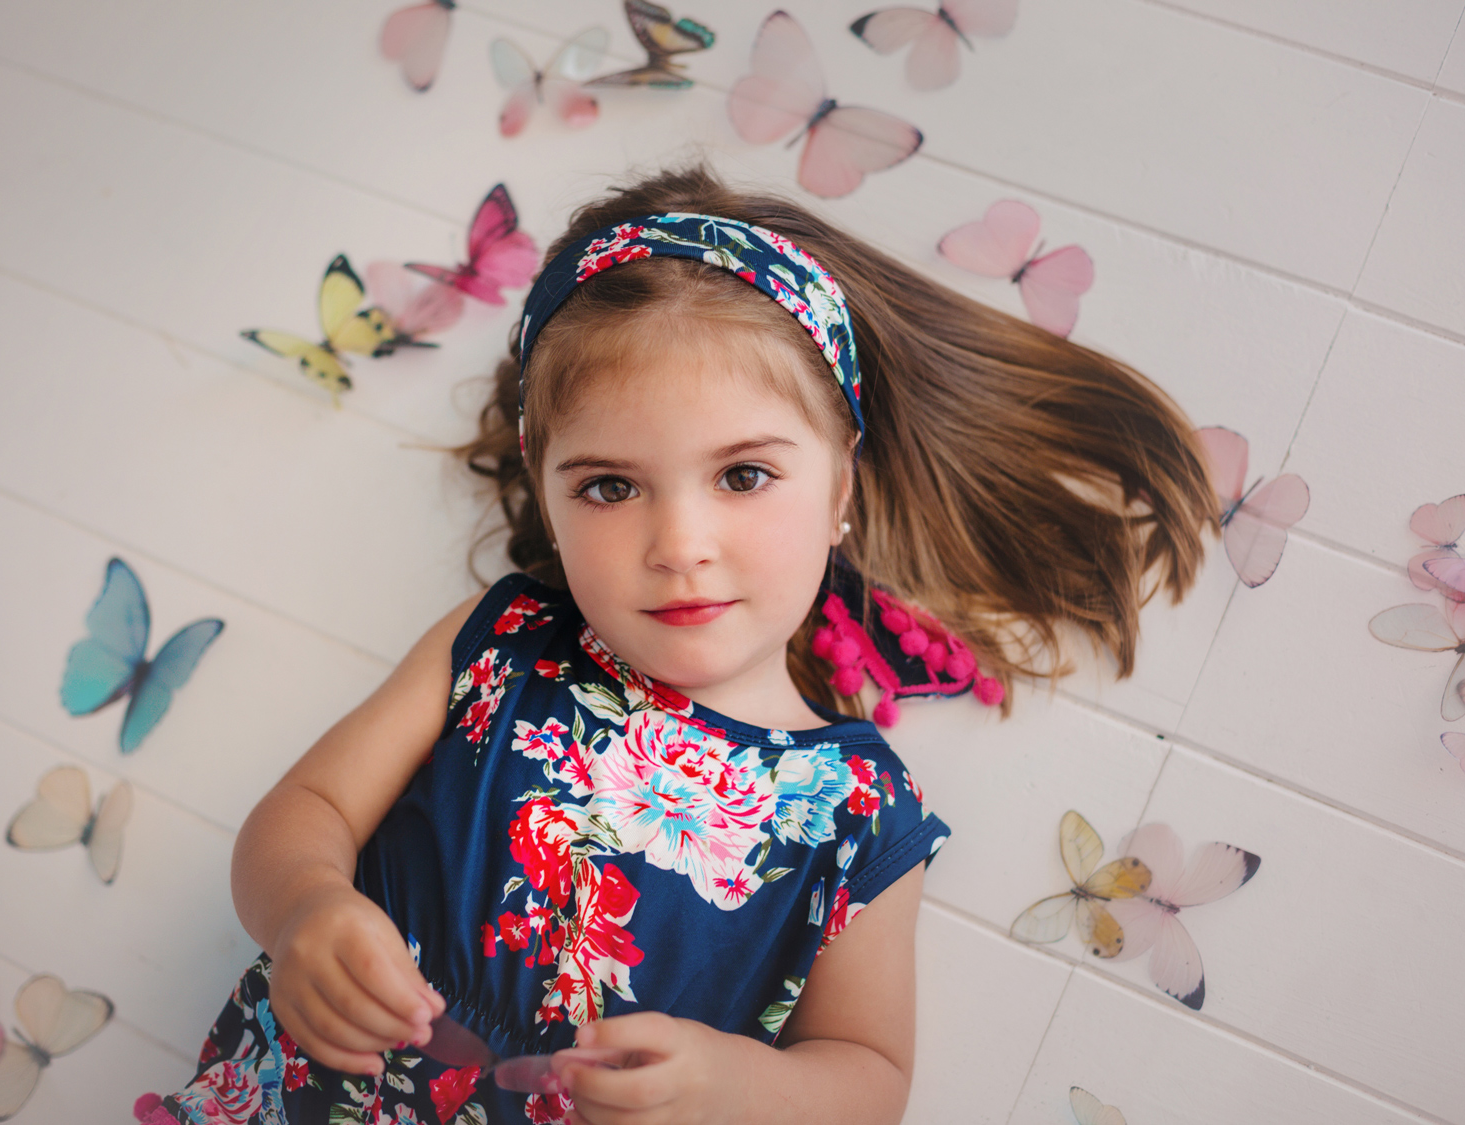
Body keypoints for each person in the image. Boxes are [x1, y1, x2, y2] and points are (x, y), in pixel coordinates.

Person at [138, 164, 1218, 1125]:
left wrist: (733, 1090)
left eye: (744, 476)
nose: (679, 546)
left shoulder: (856, 813)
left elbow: (869, 1075)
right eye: (610, 487)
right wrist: (308, 907)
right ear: (549, 497)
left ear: (840, 488)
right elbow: (305, 814)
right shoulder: (502, 646)